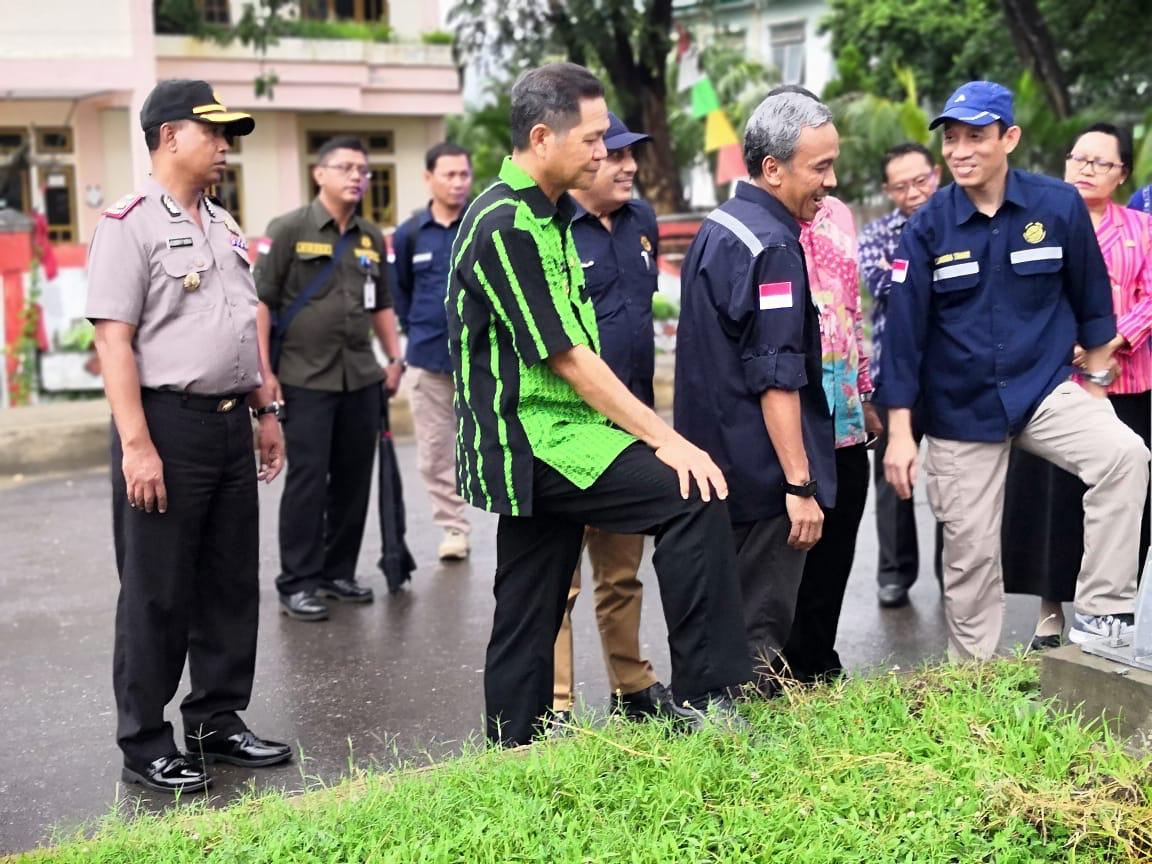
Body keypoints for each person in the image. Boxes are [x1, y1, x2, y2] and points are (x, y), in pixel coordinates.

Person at [448, 62, 752, 747]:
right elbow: (566, 358)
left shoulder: (547, 214)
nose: (603, 151)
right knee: (691, 493)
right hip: (536, 439)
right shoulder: (504, 222)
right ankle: (707, 702)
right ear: (541, 137)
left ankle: (512, 743)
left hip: (561, 433)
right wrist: (665, 439)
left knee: (529, 596)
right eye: (591, 138)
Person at [880, 80, 1150, 660]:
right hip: (959, 409)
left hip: (1043, 391)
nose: (960, 150)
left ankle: (1102, 617)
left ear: (1010, 138)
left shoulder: (1057, 206)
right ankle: (972, 690)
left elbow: (1094, 303)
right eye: (951, 139)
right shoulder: (927, 228)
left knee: (1125, 455)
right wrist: (901, 435)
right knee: (971, 558)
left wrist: (1099, 386)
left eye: (976, 136)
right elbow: (902, 341)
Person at [86, 79, 291, 794]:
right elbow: (115, 343)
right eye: (214, 134)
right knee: (157, 590)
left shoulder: (227, 225)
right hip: (165, 426)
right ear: (170, 135)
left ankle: (216, 719)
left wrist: (265, 413)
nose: (225, 149)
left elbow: (241, 328)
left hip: (232, 422)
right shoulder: (128, 223)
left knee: (230, 583)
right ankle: (146, 741)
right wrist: (137, 445)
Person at [674, 90, 837, 686]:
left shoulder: (720, 226)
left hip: (717, 466)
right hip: (763, 481)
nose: (831, 181)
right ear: (774, 168)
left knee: (718, 627)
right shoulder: (771, 245)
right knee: (754, 646)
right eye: (819, 167)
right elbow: (775, 375)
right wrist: (799, 484)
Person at [1003, 123, 1152, 648]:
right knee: (1055, 504)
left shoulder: (1141, 227)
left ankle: (1111, 613)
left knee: (1124, 487)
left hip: (1128, 381)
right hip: (1054, 383)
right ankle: (1050, 611)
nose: (1086, 169)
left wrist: (1109, 342)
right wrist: (1064, 341)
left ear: (1122, 175)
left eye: (1100, 162)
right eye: (1078, 159)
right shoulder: (1040, 222)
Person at [552, 112, 672, 721]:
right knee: (560, 584)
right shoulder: (552, 228)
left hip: (632, 427)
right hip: (569, 433)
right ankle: (556, 710)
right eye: (615, 155)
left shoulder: (641, 221)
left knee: (623, 573)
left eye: (632, 155)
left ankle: (633, 689)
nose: (628, 166)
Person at [254, 136, 404, 622]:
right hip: (305, 377)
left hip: (360, 376)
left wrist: (395, 357)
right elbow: (261, 303)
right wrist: (266, 373)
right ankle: (297, 581)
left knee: (353, 480)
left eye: (363, 169)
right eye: (345, 167)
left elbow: (380, 303)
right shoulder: (291, 229)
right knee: (308, 482)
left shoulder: (370, 237)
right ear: (320, 174)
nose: (357, 176)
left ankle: (337, 572)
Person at [783, 194, 880, 682]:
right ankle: (778, 669)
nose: (830, 178)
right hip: (793, 421)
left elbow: (851, 310)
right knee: (793, 552)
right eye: (819, 165)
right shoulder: (762, 221)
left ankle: (819, 661)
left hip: (844, 418)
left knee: (837, 546)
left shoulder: (839, 214)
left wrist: (864, 391)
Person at [858, 142, 943, 608]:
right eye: (901, 186)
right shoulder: (874, 234)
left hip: (952, 371)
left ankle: (955, 570)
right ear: (888, 190)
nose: (913, 192)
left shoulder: (961, 222)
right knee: (895, 475)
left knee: (957, 474)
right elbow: (881, 283)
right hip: (896, 370)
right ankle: (894, 572)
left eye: (921, 180)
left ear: (936, 174)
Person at [392, 142, 474, 562]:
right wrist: (414, 332)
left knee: (496, 441)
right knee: (435, 451)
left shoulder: (483, 224)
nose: (459, 183)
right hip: (428, 357)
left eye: (464, 175)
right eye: (450, 175)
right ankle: (454, 527)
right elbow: (400, 291)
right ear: (429, 178)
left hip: (480, 358)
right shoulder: (409, 234)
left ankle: (517, 521)